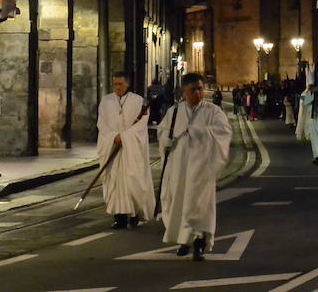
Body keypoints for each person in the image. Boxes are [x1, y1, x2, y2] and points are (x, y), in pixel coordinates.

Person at [158, 72, 232, 261]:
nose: (198, 93)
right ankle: (184, 240)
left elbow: (223, 132)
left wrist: (197, 131)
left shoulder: (213, 111)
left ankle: (199, 243)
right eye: (193, 90)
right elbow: (163, 132)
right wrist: (167, 140)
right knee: (180, 203)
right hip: (179, 168)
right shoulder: (174, 112)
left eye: (200, 89)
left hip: (202, 169)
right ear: (184, 92)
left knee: (200, 207)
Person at [96, 72, 154, 229]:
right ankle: (119, 217)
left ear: (127, 85)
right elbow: (102, 123)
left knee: (132, 180)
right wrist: (113, 137)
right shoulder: (106, 101)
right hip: (113, 147)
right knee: (114, 182)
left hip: (131, 149)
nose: (117, 87)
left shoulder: (137, 101)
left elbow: (142, 124)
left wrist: (125, 137)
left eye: (120, 84)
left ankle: (134, 213)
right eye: (115, 84)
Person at [296, 63, 318, 164]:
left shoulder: (316, 93)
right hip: (315, 117)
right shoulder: (315, 93)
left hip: (317, 116)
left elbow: (306, 102)